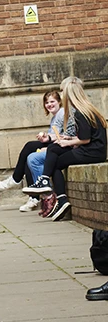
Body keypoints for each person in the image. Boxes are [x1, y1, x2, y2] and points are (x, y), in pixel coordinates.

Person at [23, 77, 107, 221]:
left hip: (91, 152)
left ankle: (57, 195)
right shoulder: (84, 110)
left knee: (55, 159)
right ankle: (56, 194)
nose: (61, 95)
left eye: (62, 91)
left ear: (69, 93)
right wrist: (68, 139)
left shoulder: (81, 112)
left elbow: (85, 140)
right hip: (91, 149)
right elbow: (84, 136)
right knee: (54, 151)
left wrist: (67, 143)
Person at [0, 91, 76, 212]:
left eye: (52, 101)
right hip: (57, 144)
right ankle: (33, 197)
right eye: (47, 102)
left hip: (64, 146)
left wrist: (47, 141)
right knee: (30, 156)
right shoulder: (55, 117)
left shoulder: (62, 113)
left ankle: (16, 180)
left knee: (29, 147)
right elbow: (56, 135)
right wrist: (46, 137)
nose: (49, 104)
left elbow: (65, 135)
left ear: (59, 102)